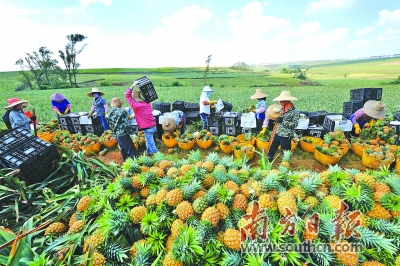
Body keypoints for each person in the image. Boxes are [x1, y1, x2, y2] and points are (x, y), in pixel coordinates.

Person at [125, 82, 158, 156]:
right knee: (148, 140)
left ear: (135, 99)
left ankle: (158, 156)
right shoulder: (147, 103)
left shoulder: (136, 106)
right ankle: (149, 152)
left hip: (148, 127)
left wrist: (132, 85)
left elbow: (127, 96)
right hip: (152, 126)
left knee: (151, 143)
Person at [266, 91, 300, 162]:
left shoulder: (294, 111)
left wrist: (283, 121)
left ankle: (285, 164)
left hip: (286, 135)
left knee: (285, 152)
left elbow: (295, 124)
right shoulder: (281, 109)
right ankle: (269, 158)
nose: (280, 102)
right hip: (277, 131)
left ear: (286, 100)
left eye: (281, 100)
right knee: (272, 147)